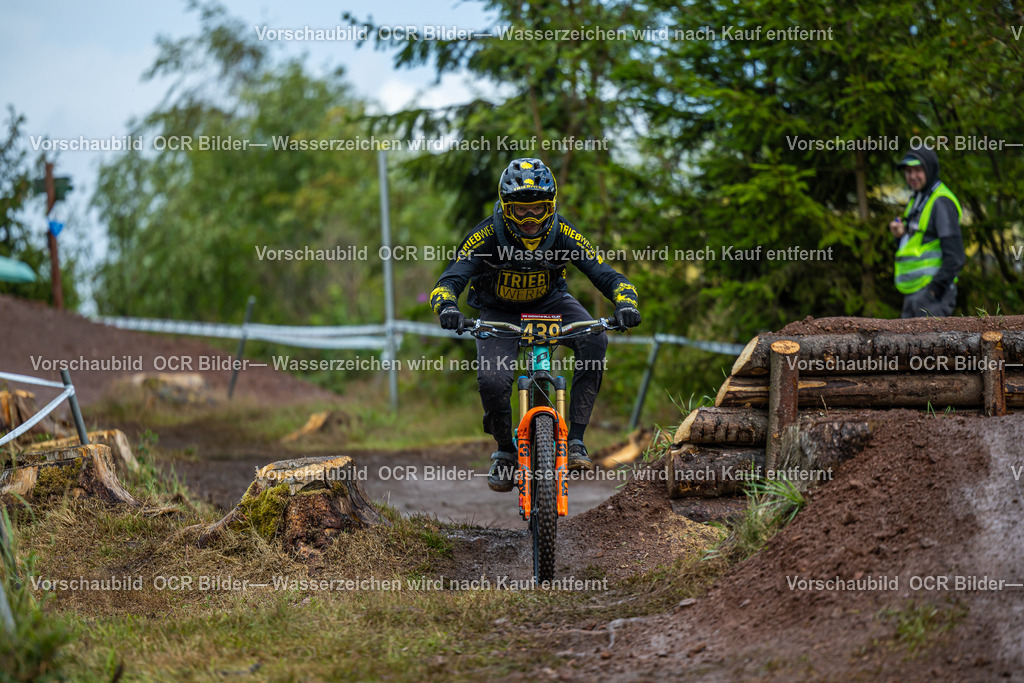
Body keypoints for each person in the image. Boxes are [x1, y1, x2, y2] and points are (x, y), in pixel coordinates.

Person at [430, 158, 641, 492]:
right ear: (505, 208)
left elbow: (606, 273)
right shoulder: (485, 235)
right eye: (519, 211)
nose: (530, 220)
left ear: (552, 206)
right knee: (493, 380)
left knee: (595, 340)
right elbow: (450, 279)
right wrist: (447, 307)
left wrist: (626, 302)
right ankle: (504, 450)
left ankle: (576, 441)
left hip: (552, 304)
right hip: (498, 313)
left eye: (538, 209)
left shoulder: (564, 233)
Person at [889, 146, 966, 317]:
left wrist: (933, 292)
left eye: (918, 170)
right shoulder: (918, 198)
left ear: (930, 169)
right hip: (914, 294)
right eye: (908, 171)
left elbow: (956, 257)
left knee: (930, 344)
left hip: (932, 296)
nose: (912, 176)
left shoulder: (941, 202)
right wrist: (899, 236)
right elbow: (918, 243)